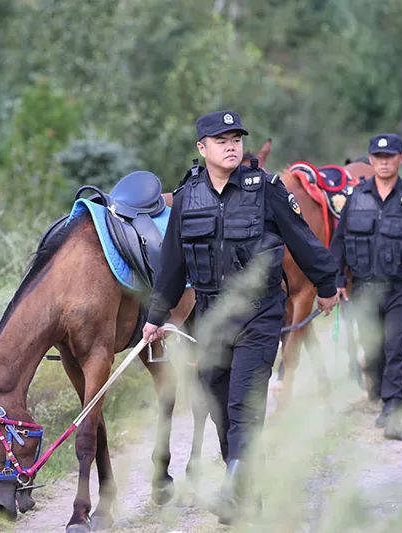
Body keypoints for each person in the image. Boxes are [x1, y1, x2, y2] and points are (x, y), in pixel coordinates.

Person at [142, 110, 340, 522]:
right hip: (210, 318)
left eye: (236, 138)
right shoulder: (187, 196)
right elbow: (173, 266)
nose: (232, 145)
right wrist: (156, 316)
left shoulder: (266, 189)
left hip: (259, 314)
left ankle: (233, 493)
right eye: (221, 140)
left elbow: (301, 239)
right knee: (219, 409)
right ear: (202, 148)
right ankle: (248, 494)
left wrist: (325, 285)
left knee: (243, 407)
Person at [330, 133, 402, 440]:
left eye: (389, 157)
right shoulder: (356, 198)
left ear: (400, 159)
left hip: (401, 289)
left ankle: (394, 409)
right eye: (377, 158)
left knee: (395, 348)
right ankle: (384, 396)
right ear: (370, 160)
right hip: (364, 290)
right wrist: (337, 280)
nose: (383, 163)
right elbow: (338, 244)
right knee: (374, 350)